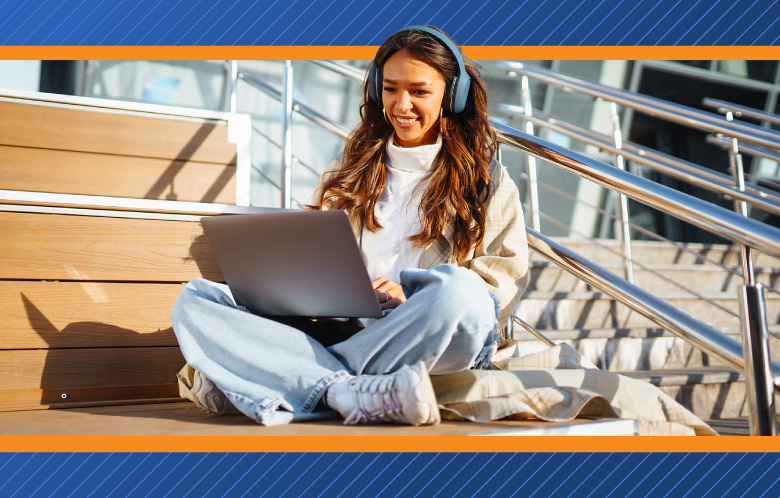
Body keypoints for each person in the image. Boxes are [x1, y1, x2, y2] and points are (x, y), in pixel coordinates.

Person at [171, 25, 529, 427]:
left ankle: (297, 380)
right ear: (377, 89)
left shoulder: (486, 179)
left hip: (428, 330)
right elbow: (317, 258)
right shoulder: (352, 171)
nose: (402, 104)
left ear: (453, 94)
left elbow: (502, 279)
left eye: (420, 91)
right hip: (349, 330)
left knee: (461, 293)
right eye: (391, 88)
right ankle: (349, 391)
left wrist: (412, 295)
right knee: (196, 300)